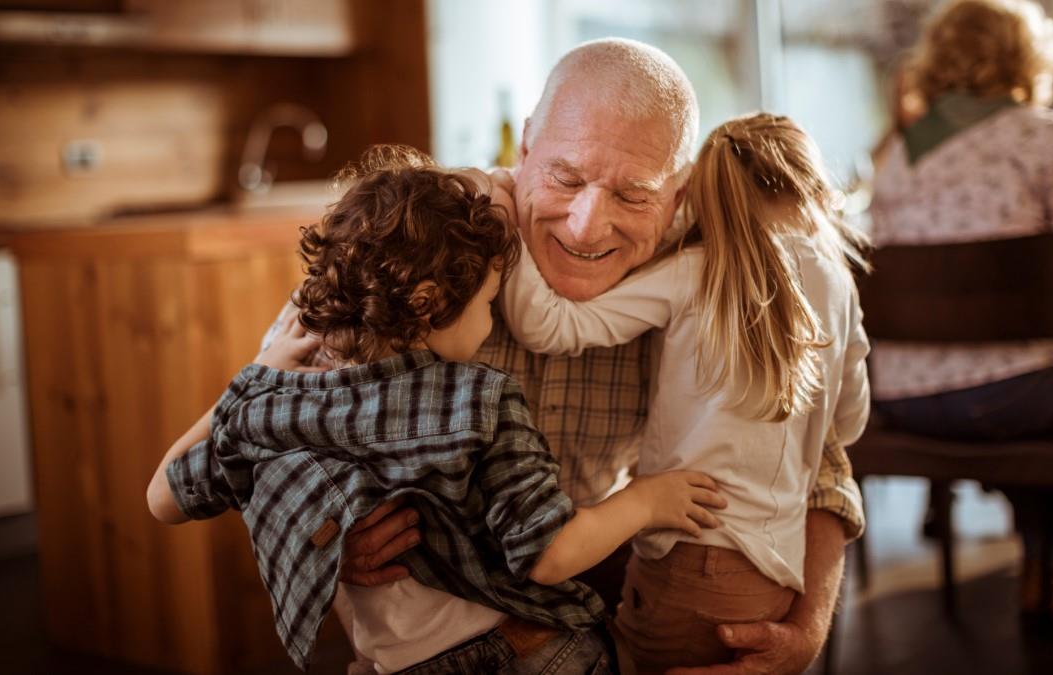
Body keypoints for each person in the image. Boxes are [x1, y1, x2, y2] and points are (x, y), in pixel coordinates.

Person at [250, 38, 864, 674]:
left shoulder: (701, 272)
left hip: (587, 598)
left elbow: (820, 462)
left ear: (678, 197)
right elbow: (259, 425)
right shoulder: (422, 236)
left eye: (633, 196)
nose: (586, 226)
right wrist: (326, 532)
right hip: (415, 639)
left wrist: (804, 629)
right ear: (524, 151)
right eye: (565, 178)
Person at [146, 147, 727, 673]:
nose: (490, 323)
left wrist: (255, 379)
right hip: (531, 654)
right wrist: (647, 500)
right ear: (429, 303)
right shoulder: (479, 400)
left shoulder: (279, 403)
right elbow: (549, 554)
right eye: (489, 304)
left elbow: (162, 497)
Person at [497, 112, 871, 670]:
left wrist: (504, 215)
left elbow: (547, 326)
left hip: (685, 556)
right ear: (813, 186)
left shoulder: (696, 270)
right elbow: (849, 424)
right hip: (774, 571)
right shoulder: (839, 283)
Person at [868, 0, 1053, 623]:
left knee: (1050, 382)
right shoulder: (1051, 137)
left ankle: (1041, 573)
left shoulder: (897, 156)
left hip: (905, 401)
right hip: (1015, 399)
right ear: (1027, 57)